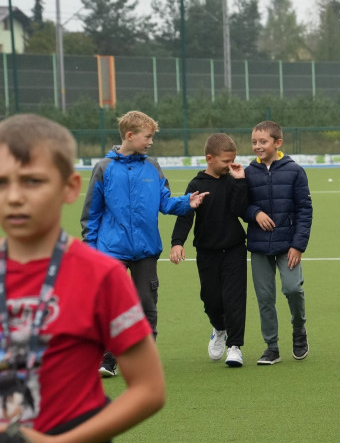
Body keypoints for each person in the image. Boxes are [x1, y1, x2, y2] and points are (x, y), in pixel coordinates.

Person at [0, 114, 165, 443]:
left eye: (32, 181)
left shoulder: (100, 275)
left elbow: (149, 390)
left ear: (70, 188)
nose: (14, 196)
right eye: (2, 182)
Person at [80, 110, 206, 378]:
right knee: (112, 306)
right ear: (130, 135)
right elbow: (91, 214)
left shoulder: (153, 166)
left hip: (146, 250)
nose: (150, 142)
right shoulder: (103, 168)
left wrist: (186, 203)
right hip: (110, 251)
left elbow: (165, 203)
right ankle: (108, 360)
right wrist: (90, 251)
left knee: (147, 305)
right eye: (147, 137)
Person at [169, 133, 249, 368]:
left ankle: (235, 347)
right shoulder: (197, 184)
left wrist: (240, 182)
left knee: (234, 298)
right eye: (226, 161)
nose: (230, 165)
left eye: (233, 160)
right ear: (209, 158)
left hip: (234, 249)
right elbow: (186, 215)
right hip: (207, 251)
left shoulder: (233, 179)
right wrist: (177, 242)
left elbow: (240, 209)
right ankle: (219, 328)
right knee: (211, 299)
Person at [244, 121, 313, 366]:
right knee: (264, 297)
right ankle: (271, 347)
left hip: (288, 245)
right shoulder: (248, 171)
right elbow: (242, 205)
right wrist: (255, 213)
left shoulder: (294, 170)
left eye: (263, 141)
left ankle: (299, 331)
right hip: (259, 246)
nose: (257, 146)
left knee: (293, 289)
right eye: (254, 142)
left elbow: (305, 209)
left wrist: (298, 245)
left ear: (278, 143)